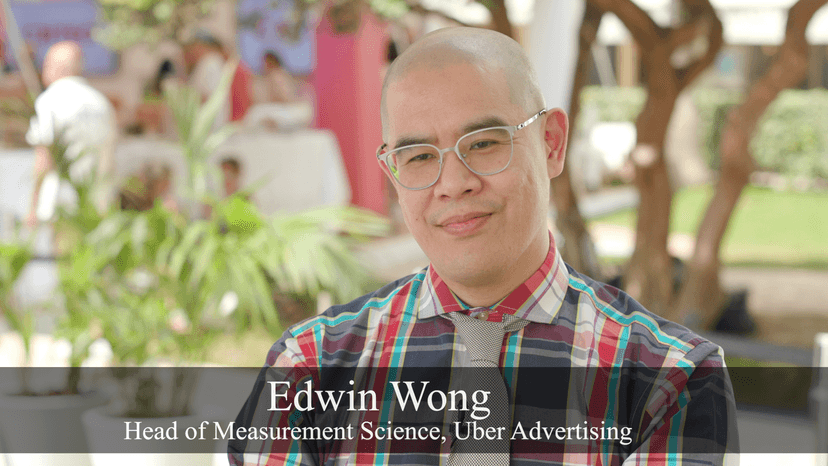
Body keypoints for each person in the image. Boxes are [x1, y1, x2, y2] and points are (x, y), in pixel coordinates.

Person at [229, 28, 738, 465]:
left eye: (484, 143)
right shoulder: (309, 365)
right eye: (418, 155)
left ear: (552, 144)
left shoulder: (670, 381)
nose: (452, 183)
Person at [26, 41, 117, 228]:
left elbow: (44, 157)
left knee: (63, 255)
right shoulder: (101, 102)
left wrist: (33, 205)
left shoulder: (49, 101)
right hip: (97, 202)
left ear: (55, 67)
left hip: (61, 201)